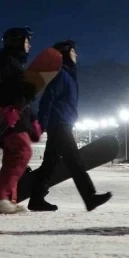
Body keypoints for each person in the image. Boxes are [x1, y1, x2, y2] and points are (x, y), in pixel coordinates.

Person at [29, 40, 112, 212]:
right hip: (60, 123)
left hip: (63, 122)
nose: (77, 55)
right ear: (66, 54)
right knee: (74, 161)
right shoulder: (61, 75)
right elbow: (47, 99)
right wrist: (42, 122)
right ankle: (89, 197)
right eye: (74, 51)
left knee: (50, 163)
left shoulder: (69, 76)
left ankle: (36, 198)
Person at [0, 27, 42, 214]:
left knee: (12, 159)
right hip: (11, 116)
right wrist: (27, 89)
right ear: (17, 42)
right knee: (21, 152)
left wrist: (32, 119)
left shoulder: (12, 62)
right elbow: (15, 91)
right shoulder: (8, 63)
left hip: (15, 116)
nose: (29, 45)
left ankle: (8, 200)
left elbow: (22, 95)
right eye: (26, 41)